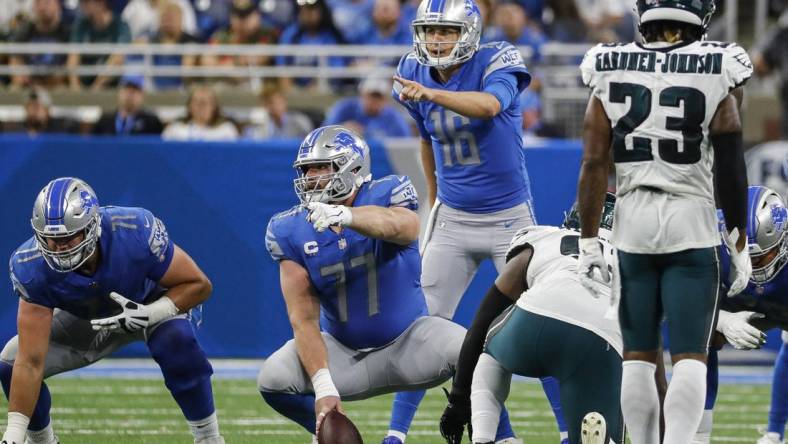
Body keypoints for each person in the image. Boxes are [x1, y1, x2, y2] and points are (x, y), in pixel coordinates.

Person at [575, 1, 753, 442]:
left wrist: (589, 239)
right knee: (690, 355)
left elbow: (595, 161)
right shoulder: (720, 63)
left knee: (637, 355)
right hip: (690, 217)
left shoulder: (607, 62)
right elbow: (730, 162)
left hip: (633, 219)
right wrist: (738, 236)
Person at [392, 0, 557, 442]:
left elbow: (487, 106)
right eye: (430, 31)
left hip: (509, 219)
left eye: (445, 31)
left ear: (467, 32)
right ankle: (395, 433)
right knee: (420, 328)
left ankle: (568, 431)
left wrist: (431, 93)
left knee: (540, 322)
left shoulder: (496, 58)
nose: (435, 40)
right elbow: (428, 139)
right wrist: (433, 195)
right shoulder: (413, 68)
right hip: (454, 217)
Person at [257, 125, 466, 443]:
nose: (311, 177)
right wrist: (325, 387)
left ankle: (497, 435)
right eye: (307, 169)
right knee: (273, 378)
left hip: (410, 343)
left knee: (472, 352)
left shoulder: (387, 192)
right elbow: (303, 318)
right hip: (343, 354)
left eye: (321, 167)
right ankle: (331, 433)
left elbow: (405, 227)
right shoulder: (289, 229)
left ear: (353, 167)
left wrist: (348, 216)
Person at [0, 177, 224, 444]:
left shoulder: (133, 230)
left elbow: (199, 284)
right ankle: (42, 441)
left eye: (69, 237)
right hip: (87, 320)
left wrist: (150, 314)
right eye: (50, 239)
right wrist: (12, 434)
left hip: (151, 301)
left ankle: (209, 439)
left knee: (175, 340)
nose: (59, 248)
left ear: (92, 226)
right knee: (11, 363)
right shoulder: (31, 265)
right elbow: (30, 361)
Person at [441, 194, 623, 444]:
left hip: (541, 312)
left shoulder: (544, 238)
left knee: (489, 345)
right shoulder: (634, 262)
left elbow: (481, 323)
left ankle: (483, 437)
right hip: (602, 336)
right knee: (605, 417)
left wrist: (459, 396)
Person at [694, 186, 788, 444]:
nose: (752, 266)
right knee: (699, 337)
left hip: (783, 299)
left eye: (761, 258)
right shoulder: (708, 237)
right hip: (730, 300)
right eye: (746, 254)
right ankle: (696, 434)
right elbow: (675, 306)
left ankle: (774, 433)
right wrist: (721, 321)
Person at [67, 0, 132, 90]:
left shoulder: (120, 25)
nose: (82, 5)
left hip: (111, 86)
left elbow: (119, 58)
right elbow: (73, 55)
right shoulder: (81, 24)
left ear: (101, 3)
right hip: (84, 82)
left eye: (86, 2)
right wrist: (75, 86)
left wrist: (96, 87)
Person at [8, 0, 71, 89]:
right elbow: (15, 59)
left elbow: (70, 65)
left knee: (64, 89)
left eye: (47, 3)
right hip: (28, 85)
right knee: (14, 88)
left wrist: (53, 80)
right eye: (38, 3)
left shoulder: (67, 32)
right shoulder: (24, 30)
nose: (42, 7)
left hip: (56, 85)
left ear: (58, 5)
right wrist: (21, 76)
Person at [323, 77, 412, 139]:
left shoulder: (394, 119)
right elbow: (323, 133)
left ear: (386, 100)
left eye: (378, 98)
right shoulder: (344, 108)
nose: (374, 101)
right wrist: (342, 130)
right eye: (371, 96)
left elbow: (404, 143)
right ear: (362, 95)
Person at [93, 74, 164, 135]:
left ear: (142, 96)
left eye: (134, 91)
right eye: (126, 90)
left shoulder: (152, 123)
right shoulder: (105, 120)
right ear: (119, 93)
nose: (129, 94)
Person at [162, 85, 239, 141]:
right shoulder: (176, 129)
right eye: (197, 102)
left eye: (206, 102)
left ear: (215, 107)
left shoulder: (226, 129)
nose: (201, 107)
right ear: (189, 107)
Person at [242, 82, 314, 140]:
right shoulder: (259, 125)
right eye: (269, 103)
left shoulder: (300, 121)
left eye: (278, 102)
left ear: (284, 102)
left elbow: (310, 142)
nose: (274, 106)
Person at [3, 88, 80, 135]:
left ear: (48, 109)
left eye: (38, 106)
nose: (34, 110)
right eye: (30, 105)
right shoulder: (13, 131)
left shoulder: (61, 129)